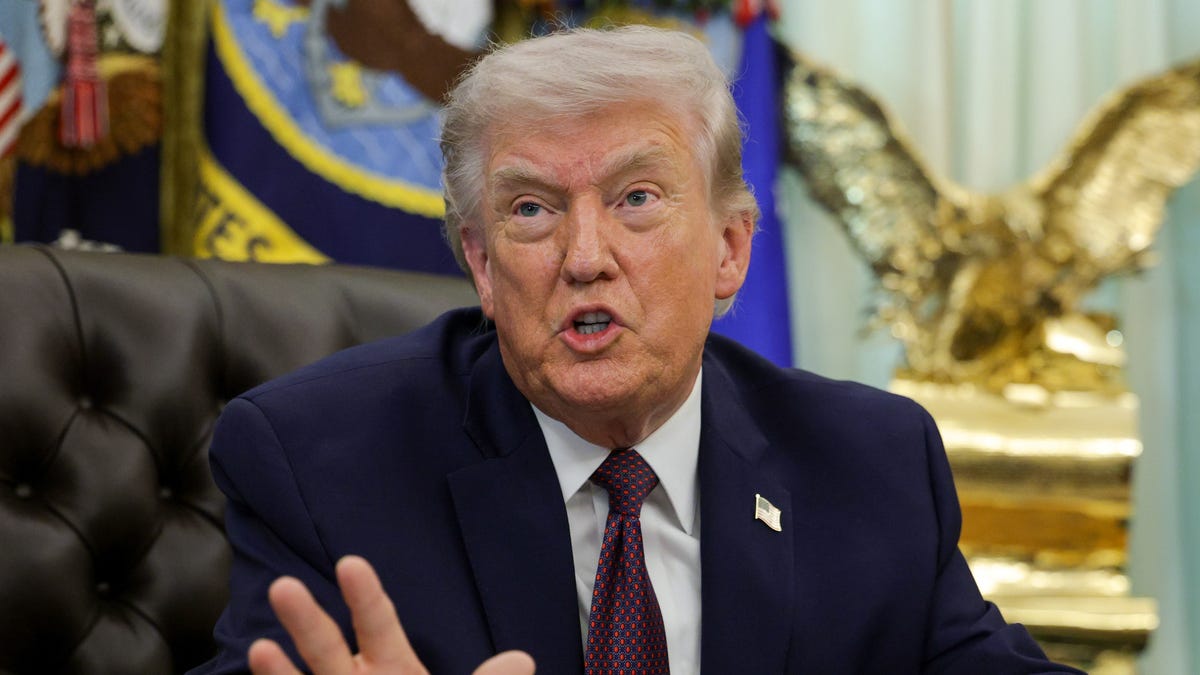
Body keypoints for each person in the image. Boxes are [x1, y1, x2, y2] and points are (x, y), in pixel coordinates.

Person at [190, 26, 1081, 675]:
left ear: (730, 249)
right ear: (483, 266)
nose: (585, 257)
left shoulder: (871, 463)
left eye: (638, 197)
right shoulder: (316, 460)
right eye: (531, 209)